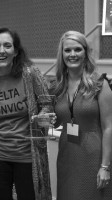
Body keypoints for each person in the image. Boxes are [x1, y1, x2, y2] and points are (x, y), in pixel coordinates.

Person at [0, 27, 53, 200]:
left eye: (7, 46)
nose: (2, 51)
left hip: (27, 156)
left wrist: (43, 117)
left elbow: (47, 104)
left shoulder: (30, 74)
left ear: (15, 51)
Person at [52, 30, 112, 199]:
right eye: (67, 50)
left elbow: (109, 127)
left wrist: (105, 166)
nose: (72, 54)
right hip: (67, 156)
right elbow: (56, 122)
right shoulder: (57, 87)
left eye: (78, 49)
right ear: (61, 54)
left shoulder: (100, 83)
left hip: (94, 156)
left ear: (86, 53)